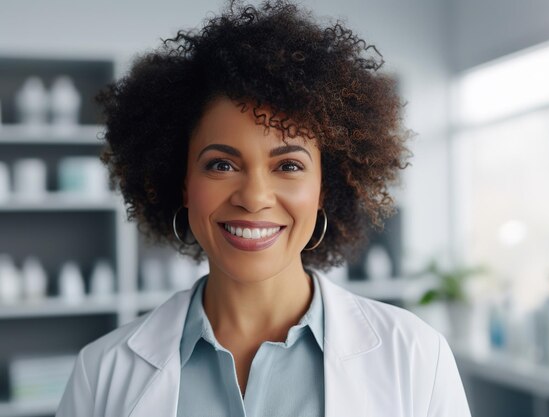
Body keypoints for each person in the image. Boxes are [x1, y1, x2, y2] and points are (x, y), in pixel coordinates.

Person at [57, 1, 471, 416]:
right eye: (221, 164)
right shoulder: (101, 374)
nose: (254, 197)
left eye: (288, 166)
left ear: (324, 188)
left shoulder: (419, 358)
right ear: (183, 185)